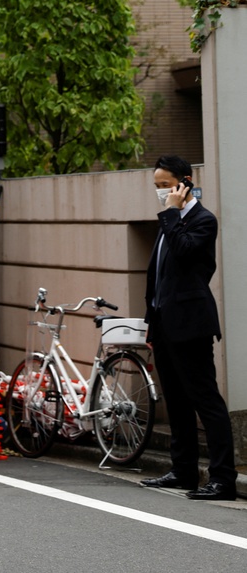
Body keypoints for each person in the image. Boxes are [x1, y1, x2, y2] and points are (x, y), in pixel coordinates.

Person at [138, 155, 236, 500]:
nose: (160, 193)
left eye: (165, 186)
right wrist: (151, 324)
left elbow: (183, 253)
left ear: (184, 182)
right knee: (177, 400)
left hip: (192, 324)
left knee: (205, 399)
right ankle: (183, 471)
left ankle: (223, 478)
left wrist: (171, 213)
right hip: (164, 324)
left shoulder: (202, 220)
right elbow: (159, 278)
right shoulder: (171, 222)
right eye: (156, 186)